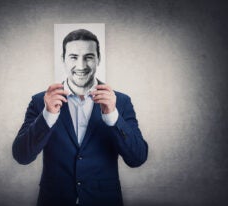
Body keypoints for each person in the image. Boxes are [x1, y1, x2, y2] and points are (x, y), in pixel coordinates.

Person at [12, 29, 148, 206]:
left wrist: (113, 116)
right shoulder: (40, 101)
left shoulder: (121, 101)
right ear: (63, 60)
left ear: (98, 59)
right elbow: (22, 156)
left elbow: (137, 158)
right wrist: (48, 116)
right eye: (73, 57)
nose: (81, 65)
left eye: (89, 57)